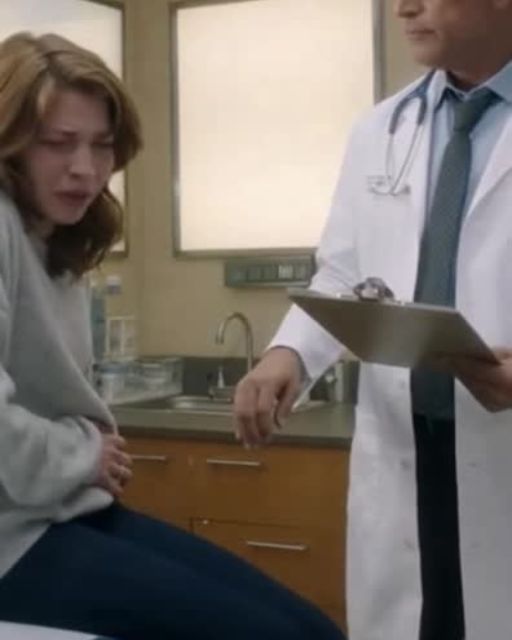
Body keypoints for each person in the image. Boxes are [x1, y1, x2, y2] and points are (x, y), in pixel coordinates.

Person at [0, 31, 346, 640]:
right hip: (14, 540)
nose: (85, 168)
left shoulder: (56, 235)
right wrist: (81, 453)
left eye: (101, 146)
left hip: (60, 513)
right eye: (58, 143)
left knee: (309, 630)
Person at [233, 1, 512, 639]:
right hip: (407, 455)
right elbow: (342, 273)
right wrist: (288, 354)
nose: (403, 7)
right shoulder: (381, 130)